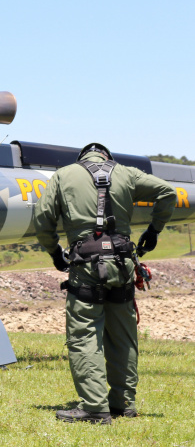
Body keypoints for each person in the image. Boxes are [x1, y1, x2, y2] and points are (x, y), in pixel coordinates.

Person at [33, 142, 176, 424]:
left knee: (85, 335)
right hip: (122, 264)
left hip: (86, 265)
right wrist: (154, 230)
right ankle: (123, 403)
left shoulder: (63, 175)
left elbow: (42, 218)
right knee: (122, 334)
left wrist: (54, 252)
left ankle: (95, 407)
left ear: (81, 157)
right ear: (107, 157)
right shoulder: (127, 174)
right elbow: (167, 192)